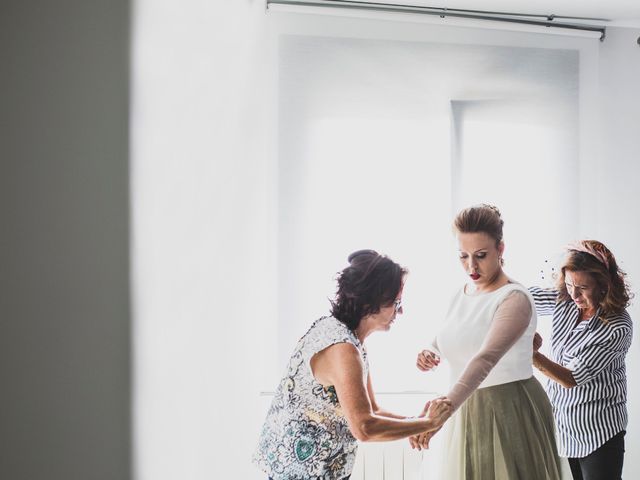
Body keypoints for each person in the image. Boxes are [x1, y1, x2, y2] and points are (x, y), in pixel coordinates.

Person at [253, 249, 452, 480]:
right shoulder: (343, 349)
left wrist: (417, 423)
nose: (401, 310)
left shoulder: (347, 339)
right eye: (396, 302)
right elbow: (364, 427)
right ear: (372, 301)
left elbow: (372, 410)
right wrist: (428, 422)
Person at [414, 204, 564, 479]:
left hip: (508, 408)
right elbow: (453, 332)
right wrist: (431, 349)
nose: (471, 266)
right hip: (464, 404)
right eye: (463, 256)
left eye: (481, 255)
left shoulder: (514, 298)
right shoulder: (461, 292)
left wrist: (442, 411)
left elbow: (485, 359)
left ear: (501, 250)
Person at [529, 240, 633, 480]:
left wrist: (531, 354)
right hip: (563, 429)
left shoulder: (618, 326)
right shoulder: (565, 299)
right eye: (569, 284)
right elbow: (521, 299)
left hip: (599, 433)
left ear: (603, 285)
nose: (574, 294)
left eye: (582, 287)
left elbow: (571, 377)